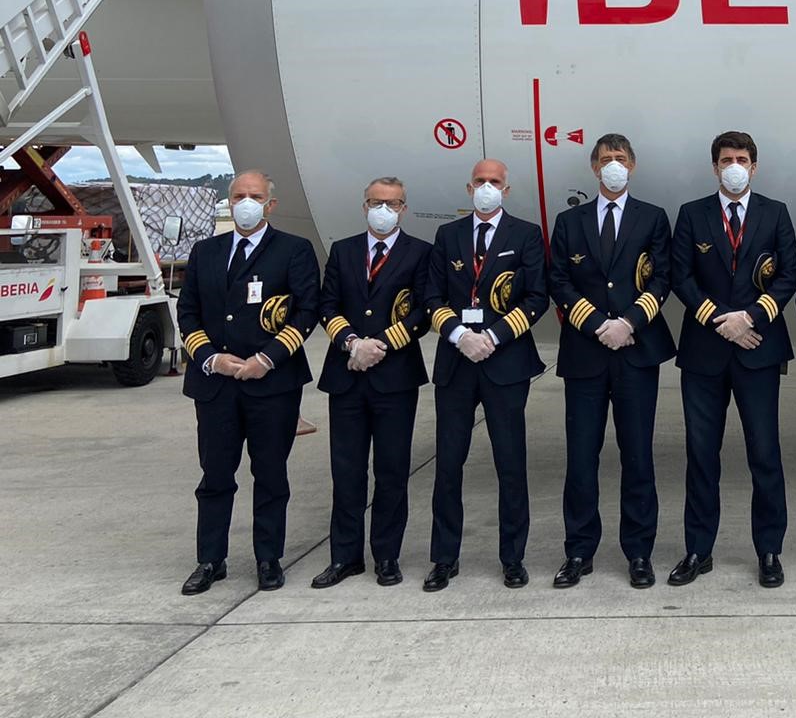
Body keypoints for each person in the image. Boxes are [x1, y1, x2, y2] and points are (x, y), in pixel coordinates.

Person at [176, 170, 320, 595]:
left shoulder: (294, 250)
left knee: (271, 475)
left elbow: (305, 312)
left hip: (272, 385)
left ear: (270, 205)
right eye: (239, 195)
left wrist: (267, 358)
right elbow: (188, 313)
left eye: (255, 196)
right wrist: (210, 357)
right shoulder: (206, 251)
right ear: (229, 200)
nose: (246, 202)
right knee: (215, 475)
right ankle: (210, 559)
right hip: (216, 385)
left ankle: (268, 557)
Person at [668, 131, 796, 588]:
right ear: (715, 167)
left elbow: (788, 275)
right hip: (705, 351)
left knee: (764, 454)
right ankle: (698, 550)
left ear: (755, 166)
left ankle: (768, 550)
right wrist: (721, 320)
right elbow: (679, 276)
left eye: (742, 158)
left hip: (757, 350)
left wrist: (751, 318)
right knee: (701, 455)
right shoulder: (692, 214)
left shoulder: (775, 213)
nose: (734, 165)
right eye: (726, 159)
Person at [548, 134, 675, 590]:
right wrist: (599, 323)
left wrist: (630, 322)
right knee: (581, 457)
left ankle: (639, 551)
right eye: (606, 159)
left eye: (620, 159)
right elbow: (558, 280)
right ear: (593, 167)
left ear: (633, 165)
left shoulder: (653, 218)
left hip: (637, 351)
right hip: (585, 351)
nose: (613, 166)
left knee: (637, 455)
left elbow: (662, 277)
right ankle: (579, 551)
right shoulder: (570, 220)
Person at [422, 159, 548, 591]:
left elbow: (536, 299)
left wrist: (491, 337)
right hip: (456, 363)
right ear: (468, 187)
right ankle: (444, 558)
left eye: (495, 182)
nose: (487, 188)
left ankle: (513, 557)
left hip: (505, 363)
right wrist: (459, 335)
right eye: (480, 181)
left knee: (510, 464)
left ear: (506, 191)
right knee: (448, 466)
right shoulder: (448, 235)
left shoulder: (526, 235)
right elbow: (431, 296)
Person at [310, 177, 432, 589]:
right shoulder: (343, 250)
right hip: (347, 374)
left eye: (393, 203)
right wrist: (350, 343)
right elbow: (328, 305)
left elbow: (422, 312)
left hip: (394, 376)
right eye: (377, 202)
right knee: (346, 471)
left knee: (392, 470)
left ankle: (386, 556)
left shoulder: (421, 253)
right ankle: (345, 557)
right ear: (364, 206)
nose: (384, 209)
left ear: (404, 207)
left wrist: (379, 343)